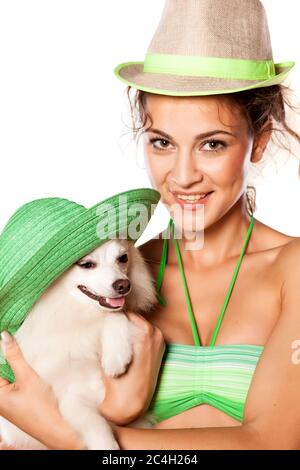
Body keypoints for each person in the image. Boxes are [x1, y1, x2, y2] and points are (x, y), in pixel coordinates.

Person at [1, 0, 300, 450]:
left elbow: (272, 441)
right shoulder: (105, 273)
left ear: (259, 143)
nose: (182, 176)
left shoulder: (291, 271)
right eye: (162, 142)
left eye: (212, 144)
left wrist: (70, 435)